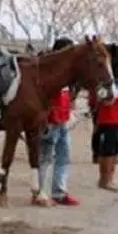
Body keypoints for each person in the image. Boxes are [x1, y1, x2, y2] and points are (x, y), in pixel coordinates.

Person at [36, 37, 79, 206]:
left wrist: (71, 112)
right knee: (45, 158)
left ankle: (59, 192)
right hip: (50, 121)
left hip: (63, 121)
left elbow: (68, 95)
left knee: (64, 157)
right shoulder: (47, 70)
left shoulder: (68, 73)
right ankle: (41, 193)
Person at [92, 57, 118, 191]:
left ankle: (110, 177)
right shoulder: (105, 82)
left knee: (115, 150)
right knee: (108, 151)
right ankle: (104, 180)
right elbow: (99, 99)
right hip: (109, 119)